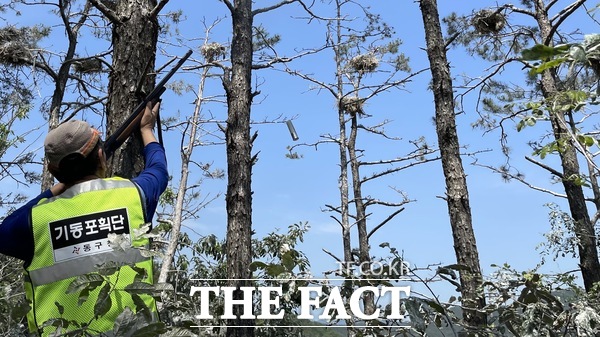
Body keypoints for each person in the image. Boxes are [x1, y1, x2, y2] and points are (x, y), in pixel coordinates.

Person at [0, 101, 168, 336]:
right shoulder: (134, 195)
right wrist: (146, 129)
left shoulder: (36, 219)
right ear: (101, 155)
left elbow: (3, 232)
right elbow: (158, 170)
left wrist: (55, 189)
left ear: (53, 171)